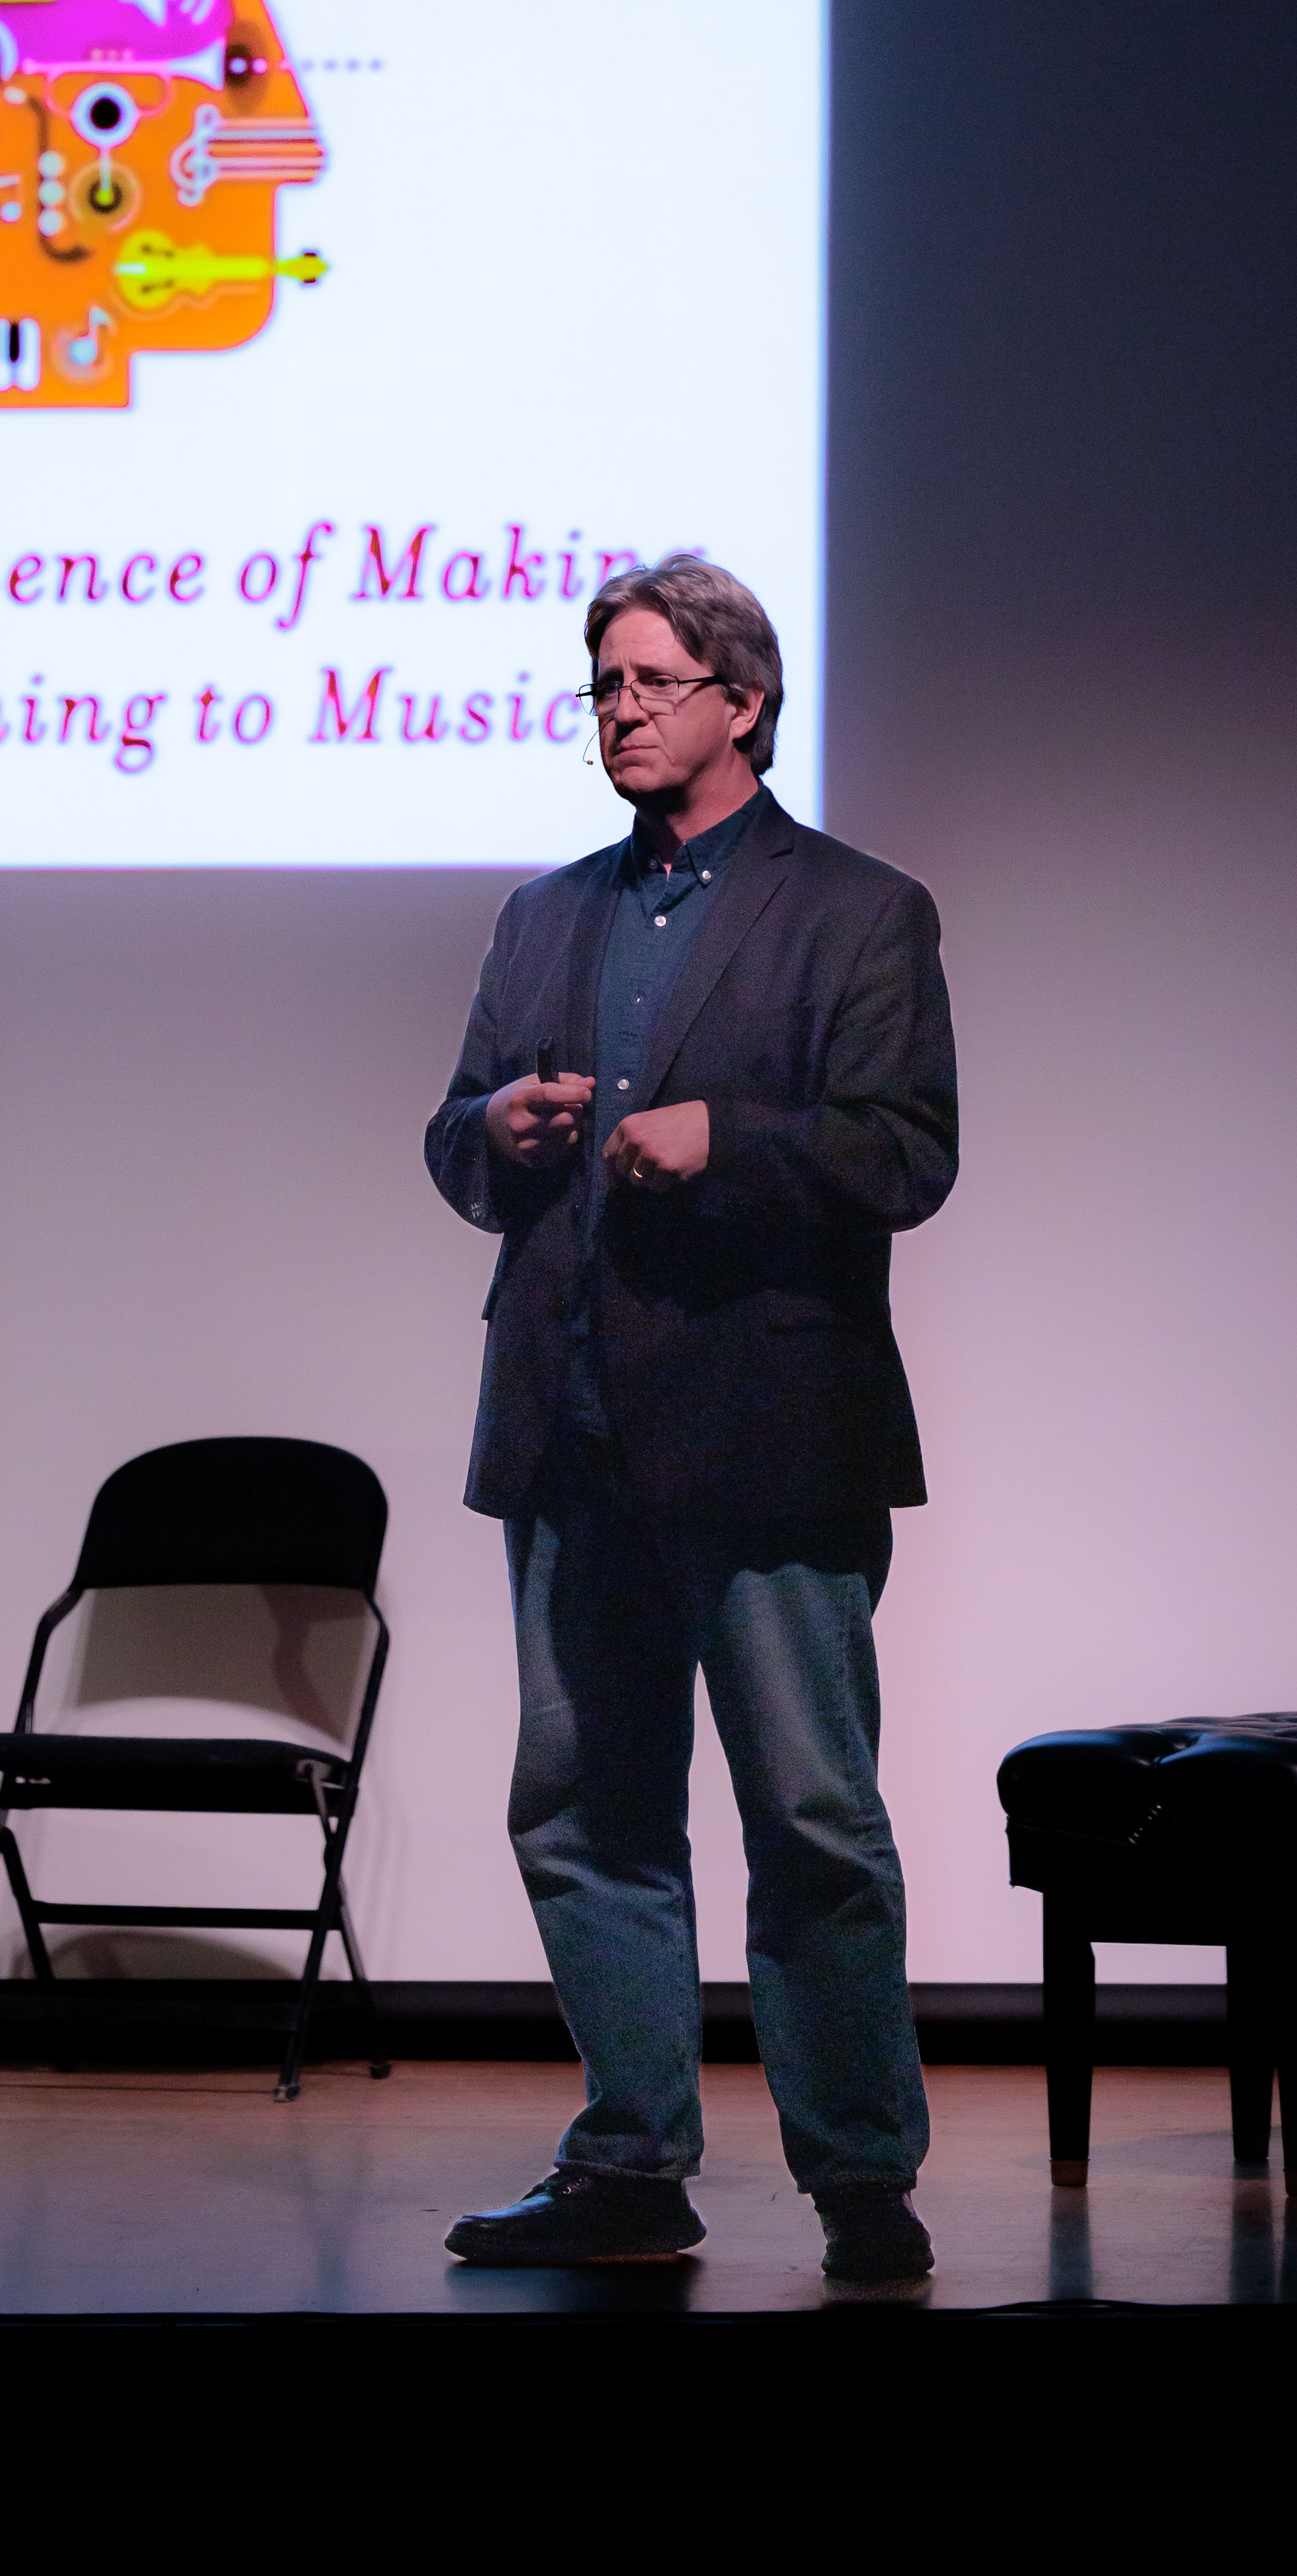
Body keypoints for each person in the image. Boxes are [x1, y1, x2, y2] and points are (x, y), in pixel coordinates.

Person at [424, 553, 957, 2282]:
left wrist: (732, 1142)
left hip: (767, 1436)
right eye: (604, 685)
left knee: (811, 1817)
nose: (620, 712)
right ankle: (630, 2164)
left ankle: (861, 2179)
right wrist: (496, 1130)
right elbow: (453, 1139)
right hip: (571, 1430)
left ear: (745, 700)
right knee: (585, 1815)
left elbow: (907, 1153)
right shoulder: (543, 915)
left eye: (652, 682)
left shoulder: (859, 910)